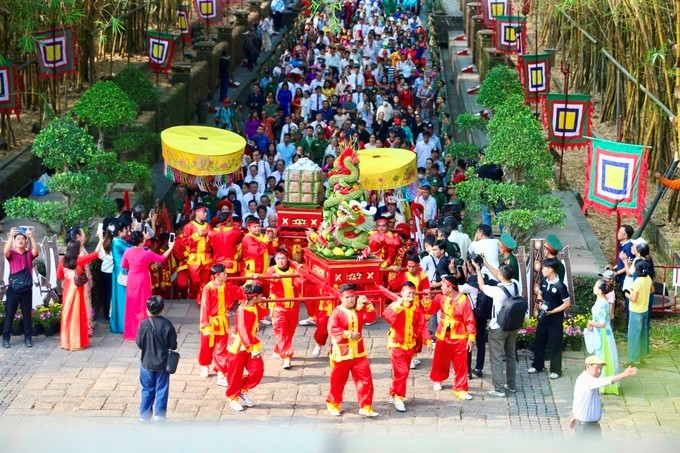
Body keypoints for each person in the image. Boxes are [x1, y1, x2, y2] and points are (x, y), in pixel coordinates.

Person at [326, 284, 379, 417]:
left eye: (352, 297)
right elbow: (332, 329)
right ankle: (333, 404)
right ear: (341, 298)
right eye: (347, 297)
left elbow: (371, 318)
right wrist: (348, 334)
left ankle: (365, 406)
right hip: (342, 353)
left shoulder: (359, 310)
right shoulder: (337, 312)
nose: (351, 300)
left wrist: (368, 305)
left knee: (365, 380)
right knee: (338, 381)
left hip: (359, 352)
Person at [382, 282, 432, 412]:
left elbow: (421, 326)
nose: (411, 296)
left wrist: (427, 340)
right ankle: (399, 398)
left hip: (410, 345)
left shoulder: (416, 308)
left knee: (402, 372)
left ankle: (393, 393)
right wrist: (399, 305)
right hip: (396, 345)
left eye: (413, 293)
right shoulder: (395, 306)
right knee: (402, 371)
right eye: (409, 293)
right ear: (402, 293)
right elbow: (387, 316)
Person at [473, 263, 521, 397]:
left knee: (496, 358)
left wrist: (478, 269)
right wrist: (486, 263)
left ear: (501, 276)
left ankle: (499, 389)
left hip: (498, 327)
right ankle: (511, 385)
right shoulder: (516, 284)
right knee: (511, 356)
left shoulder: (497, 290)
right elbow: (500, 275)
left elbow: (481, 286)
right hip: (512, 325)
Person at [427, 275, 476, 401]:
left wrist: (471, 338)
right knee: (439, 359)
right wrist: (427, 300)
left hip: (459, 336)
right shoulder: (440, 298)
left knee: (461, 364)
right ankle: (437, 379)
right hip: (442, 335)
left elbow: (470, 320)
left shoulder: (464, 300)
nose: (441, 288)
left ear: (450, 288)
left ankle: (461, 388)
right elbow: (430, 311)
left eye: (443, 286)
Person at [121, 231, 176, 341]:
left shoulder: (127, 251)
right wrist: (170, 247)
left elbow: (123, 265)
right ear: (142, 241)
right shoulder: (146, 253)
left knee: (131, 303)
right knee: (143, 303)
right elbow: (161, 258)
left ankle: (132, 331)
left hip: (132, 278)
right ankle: (144, 331)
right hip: (143, 279)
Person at [569, 356, 637, 439]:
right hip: (586, 428)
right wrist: (623, 375)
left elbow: (577, 399)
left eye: (601, 369)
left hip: (590, 426)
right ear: (588, 366)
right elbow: (605, 381)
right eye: (597, 368)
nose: (599, 371)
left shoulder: (587, 379)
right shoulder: (586, 380)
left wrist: (575, 414)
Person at [225, 283, 269, 411]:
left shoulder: (253, 305)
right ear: (255, 297)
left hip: (250, 344)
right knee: (235, 374)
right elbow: (243, 332)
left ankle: (242, 390)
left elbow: (263, 313)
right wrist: (253, 349)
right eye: (261, 295)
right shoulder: (243, 311)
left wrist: (262, 302)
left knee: (257, 371)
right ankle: (232, 397)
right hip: (239, 347)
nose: (262, 297)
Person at [199, 264, 244, 386]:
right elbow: (204, 307)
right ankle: (205, 366)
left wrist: (252, 286)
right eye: (224, 273)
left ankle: (221, 373)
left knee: (222, 350)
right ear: (217, 275)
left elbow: (240, 292)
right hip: (210, 323)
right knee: (206, 347)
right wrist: (205, 325)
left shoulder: (227, 286)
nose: (226, 275)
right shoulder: (208, 288)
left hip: (222, 323)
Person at [57, 234, 104, 351]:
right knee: (78, 315)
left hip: (67, 291)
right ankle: (77, 341)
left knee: (67, 315)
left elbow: (59, 275)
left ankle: (66, 341)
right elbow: (95, 254)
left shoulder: (62, 261)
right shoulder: (79, 261)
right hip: (78, 291)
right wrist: (101, 240)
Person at [135, 295, 178, 422]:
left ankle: (144, 416)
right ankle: (160, 416)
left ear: (147, 309)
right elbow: (173, 345)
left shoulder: (143, 324)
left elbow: (139, 343)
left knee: (147, 389)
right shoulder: (167, 325)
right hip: (162, 364)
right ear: (162, 309)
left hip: (146, 363)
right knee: (162, 389)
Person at [529, 258, 571, 379]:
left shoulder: (560, 286)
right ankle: (537, 365)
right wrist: (540, 302)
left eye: (544, 268)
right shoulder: (544, 281)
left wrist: (553, 311)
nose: (542, 270)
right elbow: (540, 293)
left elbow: (567, 303)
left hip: (555, 320)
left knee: (555, 344)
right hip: (543, 318)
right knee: (539, 341)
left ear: (551, 269)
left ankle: (556, 370)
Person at [3, 227, 39, 348]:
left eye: (22, 239)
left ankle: (28, 338)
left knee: (27, 315)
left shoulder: (29, 254)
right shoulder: (11, 254)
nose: (20, 240)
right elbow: (5, 251)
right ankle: (6, 338)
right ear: (14, 242)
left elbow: (36, 250)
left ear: (26, 242)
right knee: (9, 314)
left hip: (26, 290)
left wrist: (31, 236)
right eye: (17, 239)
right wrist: (10, 237)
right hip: (13, 290)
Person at [265, 249, 301, 369]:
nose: (280, 261)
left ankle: (277, 350)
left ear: (287, 259)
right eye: (278, 258)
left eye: (283, 258)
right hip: (278, 307)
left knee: (289, 332)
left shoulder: (293, 270)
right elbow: (267, 277)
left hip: (293, 306)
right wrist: (273, 278)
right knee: (281, 331)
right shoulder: (272, 270)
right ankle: (286, 357)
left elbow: (299, 284)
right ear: (275, 260)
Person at [586, 279, 620, 395]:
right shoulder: (599, 301)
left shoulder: (603, 303)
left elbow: (602, 323)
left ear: (600, 290)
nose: (594, 288)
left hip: (604, 335)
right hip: (599, 333)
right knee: (600, 357)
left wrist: (591, 323)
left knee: (604, 357)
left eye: (595, 286)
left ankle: (605, 384)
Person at [182, 205, 213, 302]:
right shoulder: (188, 226)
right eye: (203, 212)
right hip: (194, 259)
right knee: (195, 282)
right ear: (197, 213)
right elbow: (184, 242)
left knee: (206, 281)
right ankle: (195, 299)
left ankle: (204, 300)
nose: (205, 214)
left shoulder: (208, 226)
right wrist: (196, 235)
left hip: (207, 258)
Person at [627, 260, 653, 365]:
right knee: (643, 335)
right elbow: (652, 290)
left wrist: (627, 294)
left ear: (636, 269)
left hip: (635, 311)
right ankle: (642, 358)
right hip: (645, 310)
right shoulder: (648, 278)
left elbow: (633, 299)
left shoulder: (637, 282)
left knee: (633, 336)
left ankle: (634, 360)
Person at [111, 220, 132, 333]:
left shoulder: (117, 241)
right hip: (122, 272)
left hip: (119, 271)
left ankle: (120, 324)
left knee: (120, 297)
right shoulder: (118, 242)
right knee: (123, 297)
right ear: (120, 231)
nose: (127, 231)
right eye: (125, 229)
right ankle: (123, 325)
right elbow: (132, 249)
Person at [209, 208, 243, 277]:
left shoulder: (211, 233)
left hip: (217, 266)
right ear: (228, 221)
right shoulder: (236, 232)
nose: (233, 221)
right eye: (232, 220)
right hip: (231, 266)